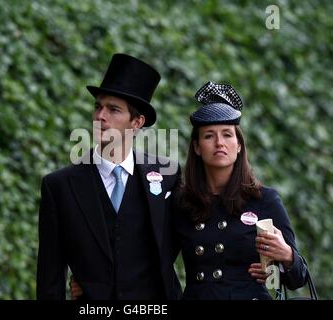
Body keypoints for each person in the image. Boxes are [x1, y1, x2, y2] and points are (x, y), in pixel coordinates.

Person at [37, 53, 182, 300]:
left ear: (137, 122)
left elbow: (194, 238)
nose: (100, 117)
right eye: (98, 107)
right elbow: (49, 276)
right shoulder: (59, 186)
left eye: (113, 110)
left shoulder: (168, 176)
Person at [173, 81, 308, 300]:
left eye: (227, 135)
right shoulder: (182, 202)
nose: (219, 143)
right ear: (197, 147)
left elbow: (298, 278)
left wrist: (287, 255)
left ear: (239, 145)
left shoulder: (265, 200)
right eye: (209, 135)